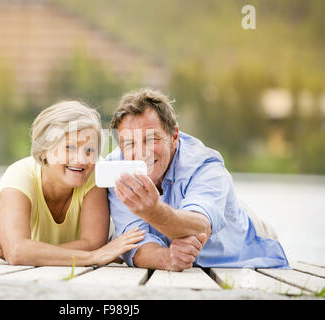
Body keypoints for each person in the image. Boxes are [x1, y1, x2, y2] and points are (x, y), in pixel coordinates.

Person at [107, 88, 289, 271]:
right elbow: (134, 242)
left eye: (151, 138)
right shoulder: (115, 168)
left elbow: (200, 227)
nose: (141, 153)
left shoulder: (206, 164)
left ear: (174, 136)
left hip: (242, 242)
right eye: (130, 143)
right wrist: (168, 258)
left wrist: (152, 211)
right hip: (184, 229)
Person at [0, 101, 145, 266]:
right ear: (44, 150)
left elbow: (93, 243)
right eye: (69, 147)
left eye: (90, 150)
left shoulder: (94, 173)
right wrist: (93, 257)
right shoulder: (18, 176)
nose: (81, 160)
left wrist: (30, 252)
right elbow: (17, 252)